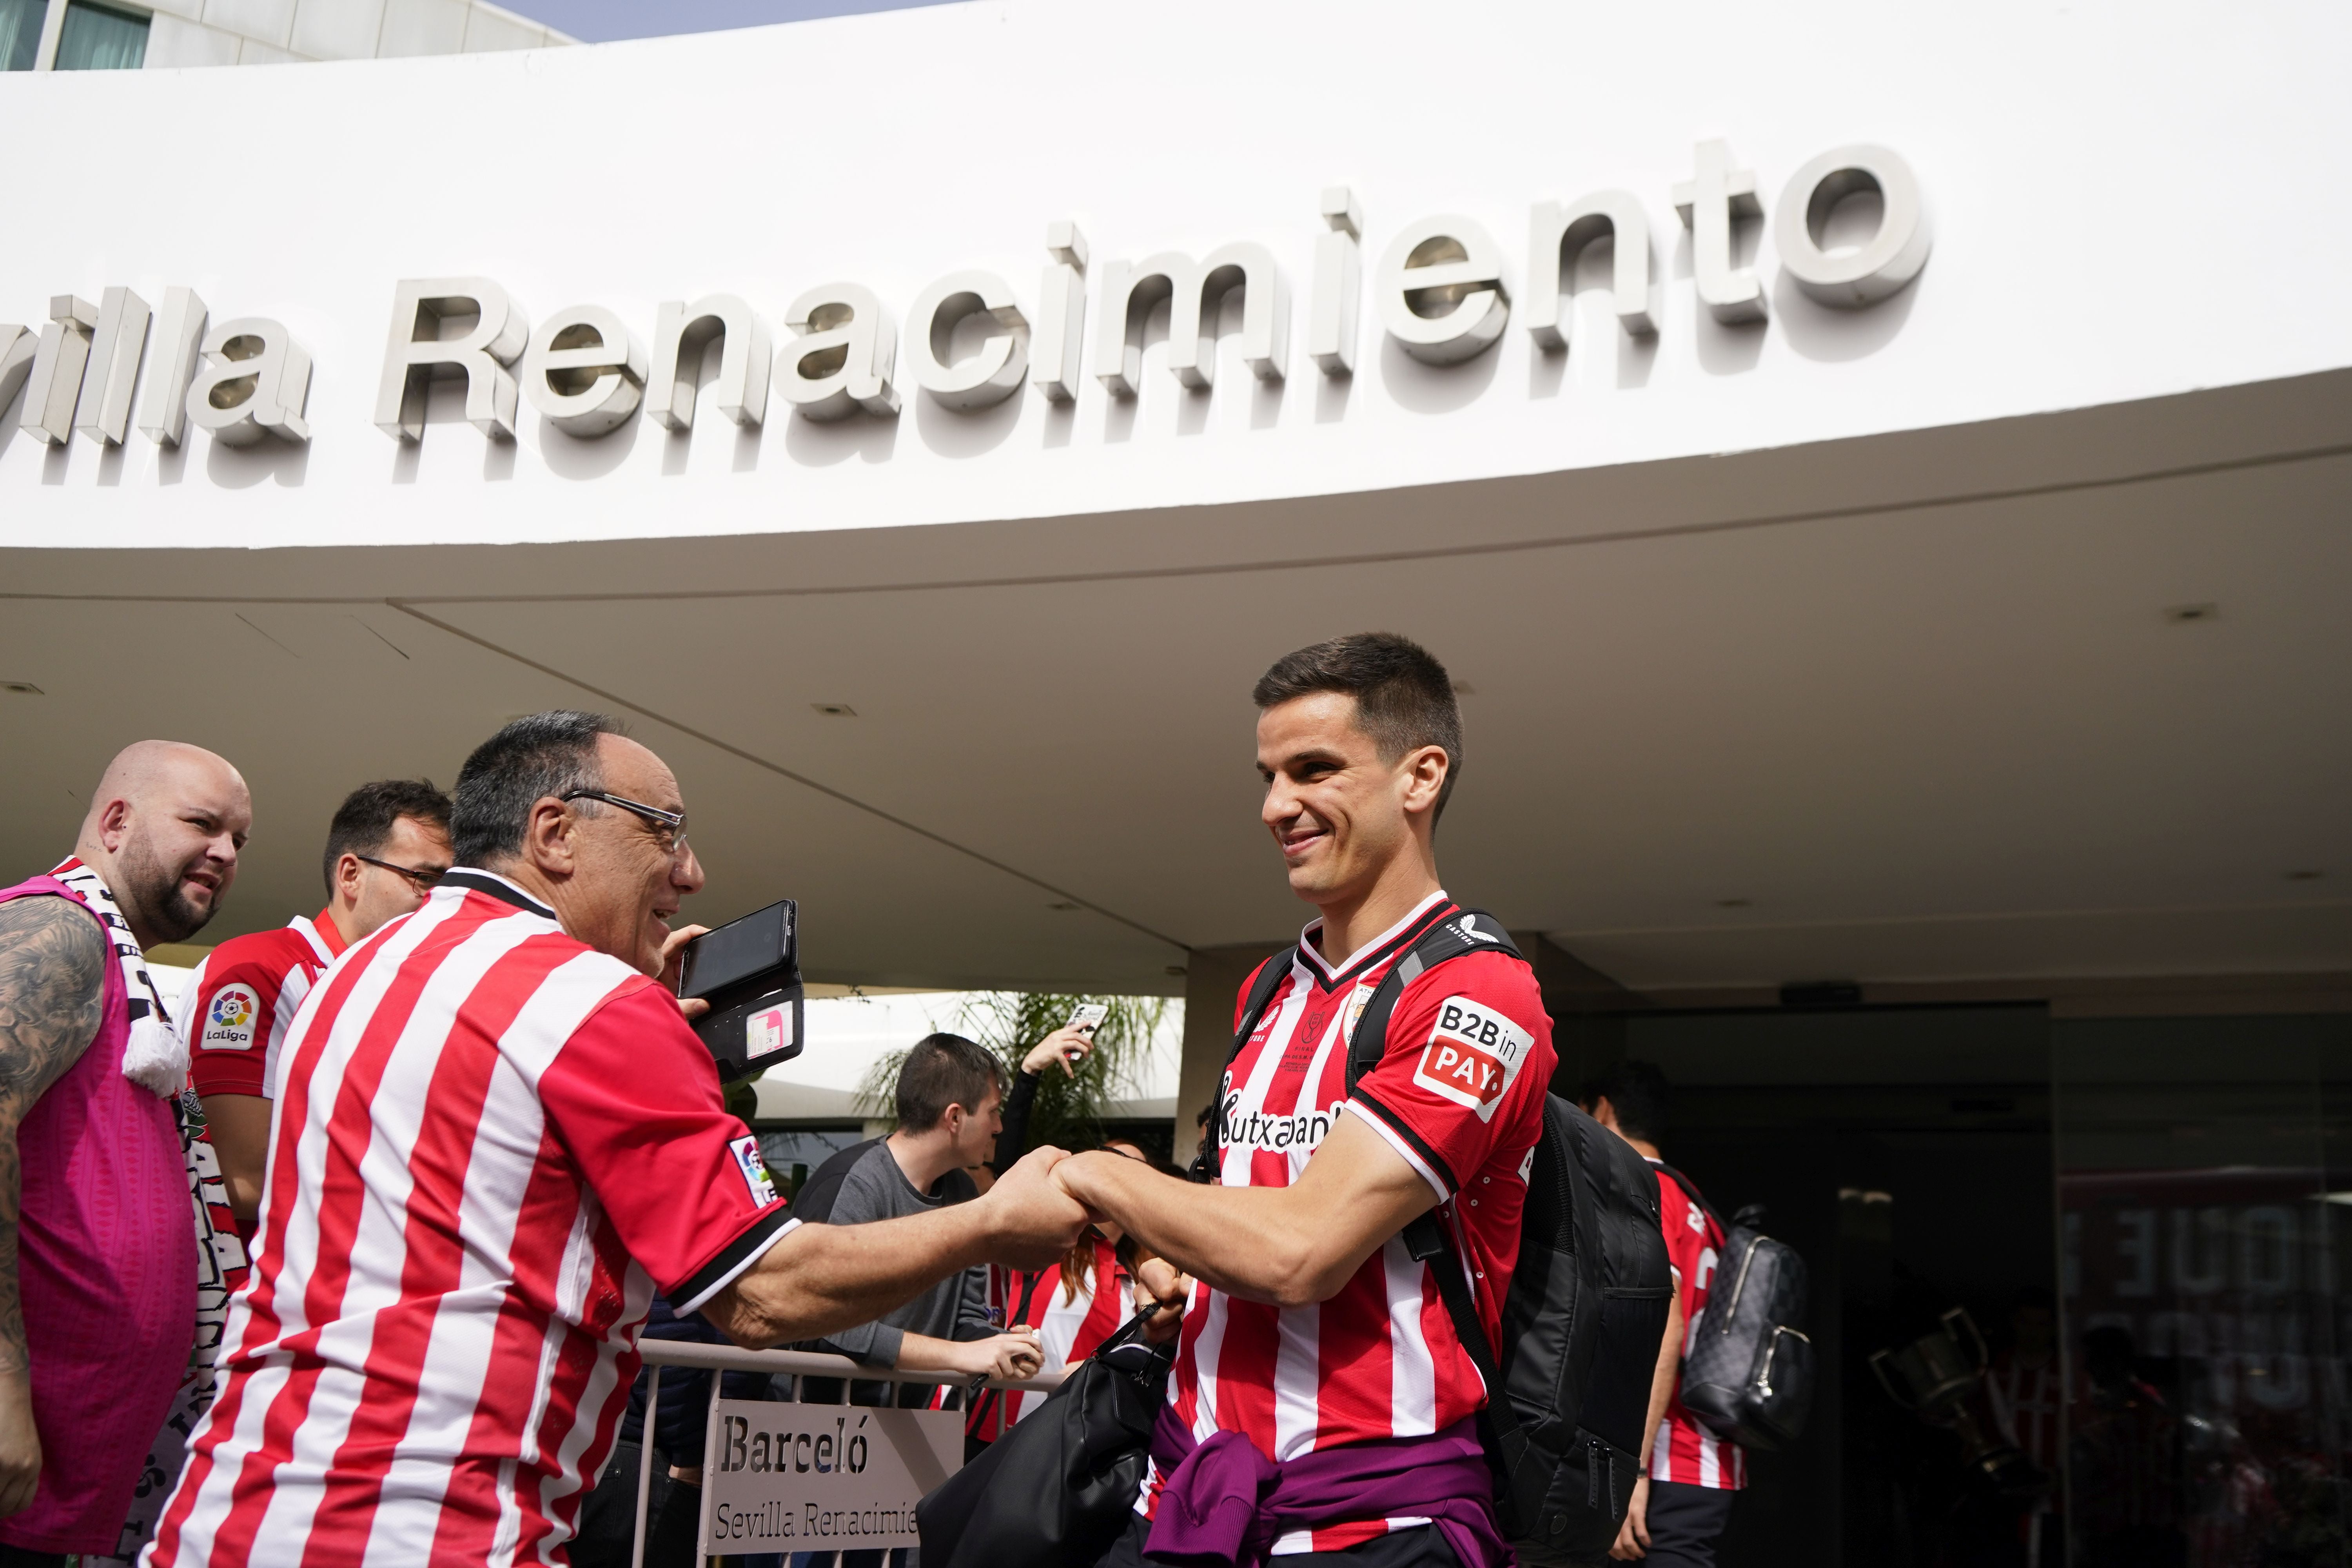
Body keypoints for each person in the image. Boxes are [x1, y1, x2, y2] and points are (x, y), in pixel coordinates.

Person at [144, 711, 1089, 1568]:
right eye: (665, 829)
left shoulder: (356, 972)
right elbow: (761, 1296)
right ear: (555, 832)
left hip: (229, 1508)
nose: (691, 871)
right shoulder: (594, 1007)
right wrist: (990, 1223)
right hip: (433, 1525)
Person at [1053, 632, 1555, 1568]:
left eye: (1314, 769)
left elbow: (1299, 1253)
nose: (1276, 806)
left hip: (1376, 1525)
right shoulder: (1264, 993)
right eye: (1269, 774)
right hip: (1191, 1495)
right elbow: (1247, 1215)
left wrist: (1094, 1176)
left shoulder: (1478, 991)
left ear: (1422, 777)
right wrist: (1180, 1270)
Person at [0, 741, 250, 1567]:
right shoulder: (59, 928)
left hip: (67, 1471)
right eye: (202, 823)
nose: (225, 852)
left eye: (239, 838)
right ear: (115, 821)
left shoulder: (115, 958)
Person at [179, 779, 453, 1233]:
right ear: (351, 874)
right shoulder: (259, 969)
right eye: (426, 879)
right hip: (251, 1292)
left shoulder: (411, 994)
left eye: (455, 888)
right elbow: (240, 1179)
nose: (443, 904)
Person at [796, 1034, 1048, 1394]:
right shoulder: (852, 1184)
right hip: (809, 1432)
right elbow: (824, 1323)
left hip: (905, 1429)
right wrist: (959, 1355)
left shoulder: (963, 1192)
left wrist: (1001, 1343)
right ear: (956, 1117)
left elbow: (966, 1319)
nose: (999, 1127)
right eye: (993, 1112)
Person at [1581, 1062, 1722, 1567]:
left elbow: (1666, 1326)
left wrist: (1631, 1473)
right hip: (1701, 1458)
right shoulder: (1695, 1202)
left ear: (1602, 1110)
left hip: (1661, 1464)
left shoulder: (1644, 1189)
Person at [1987, 1287, 2063, 1568]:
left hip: (2054, 1506)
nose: (2033, 1332)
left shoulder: (2069, 1374)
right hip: (2001, 1506)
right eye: (2025, 1323)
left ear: (2055, 1328)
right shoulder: (1994, 1372)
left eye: (2042, 1324)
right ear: (2014, 1323)